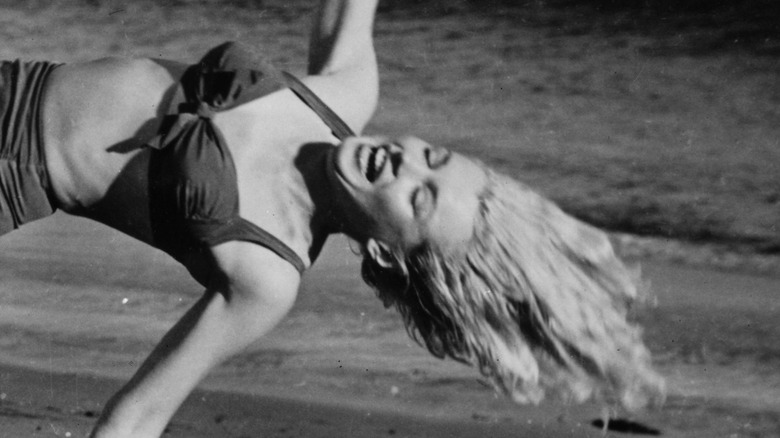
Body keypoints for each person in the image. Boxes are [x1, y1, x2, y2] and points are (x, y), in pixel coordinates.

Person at [0, 1, 664, 437]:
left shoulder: (268, 271)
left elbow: (144, 411)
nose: (403, 163)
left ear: (394, 253)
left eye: (418, 197)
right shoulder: (344, 96)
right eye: (430, 156)